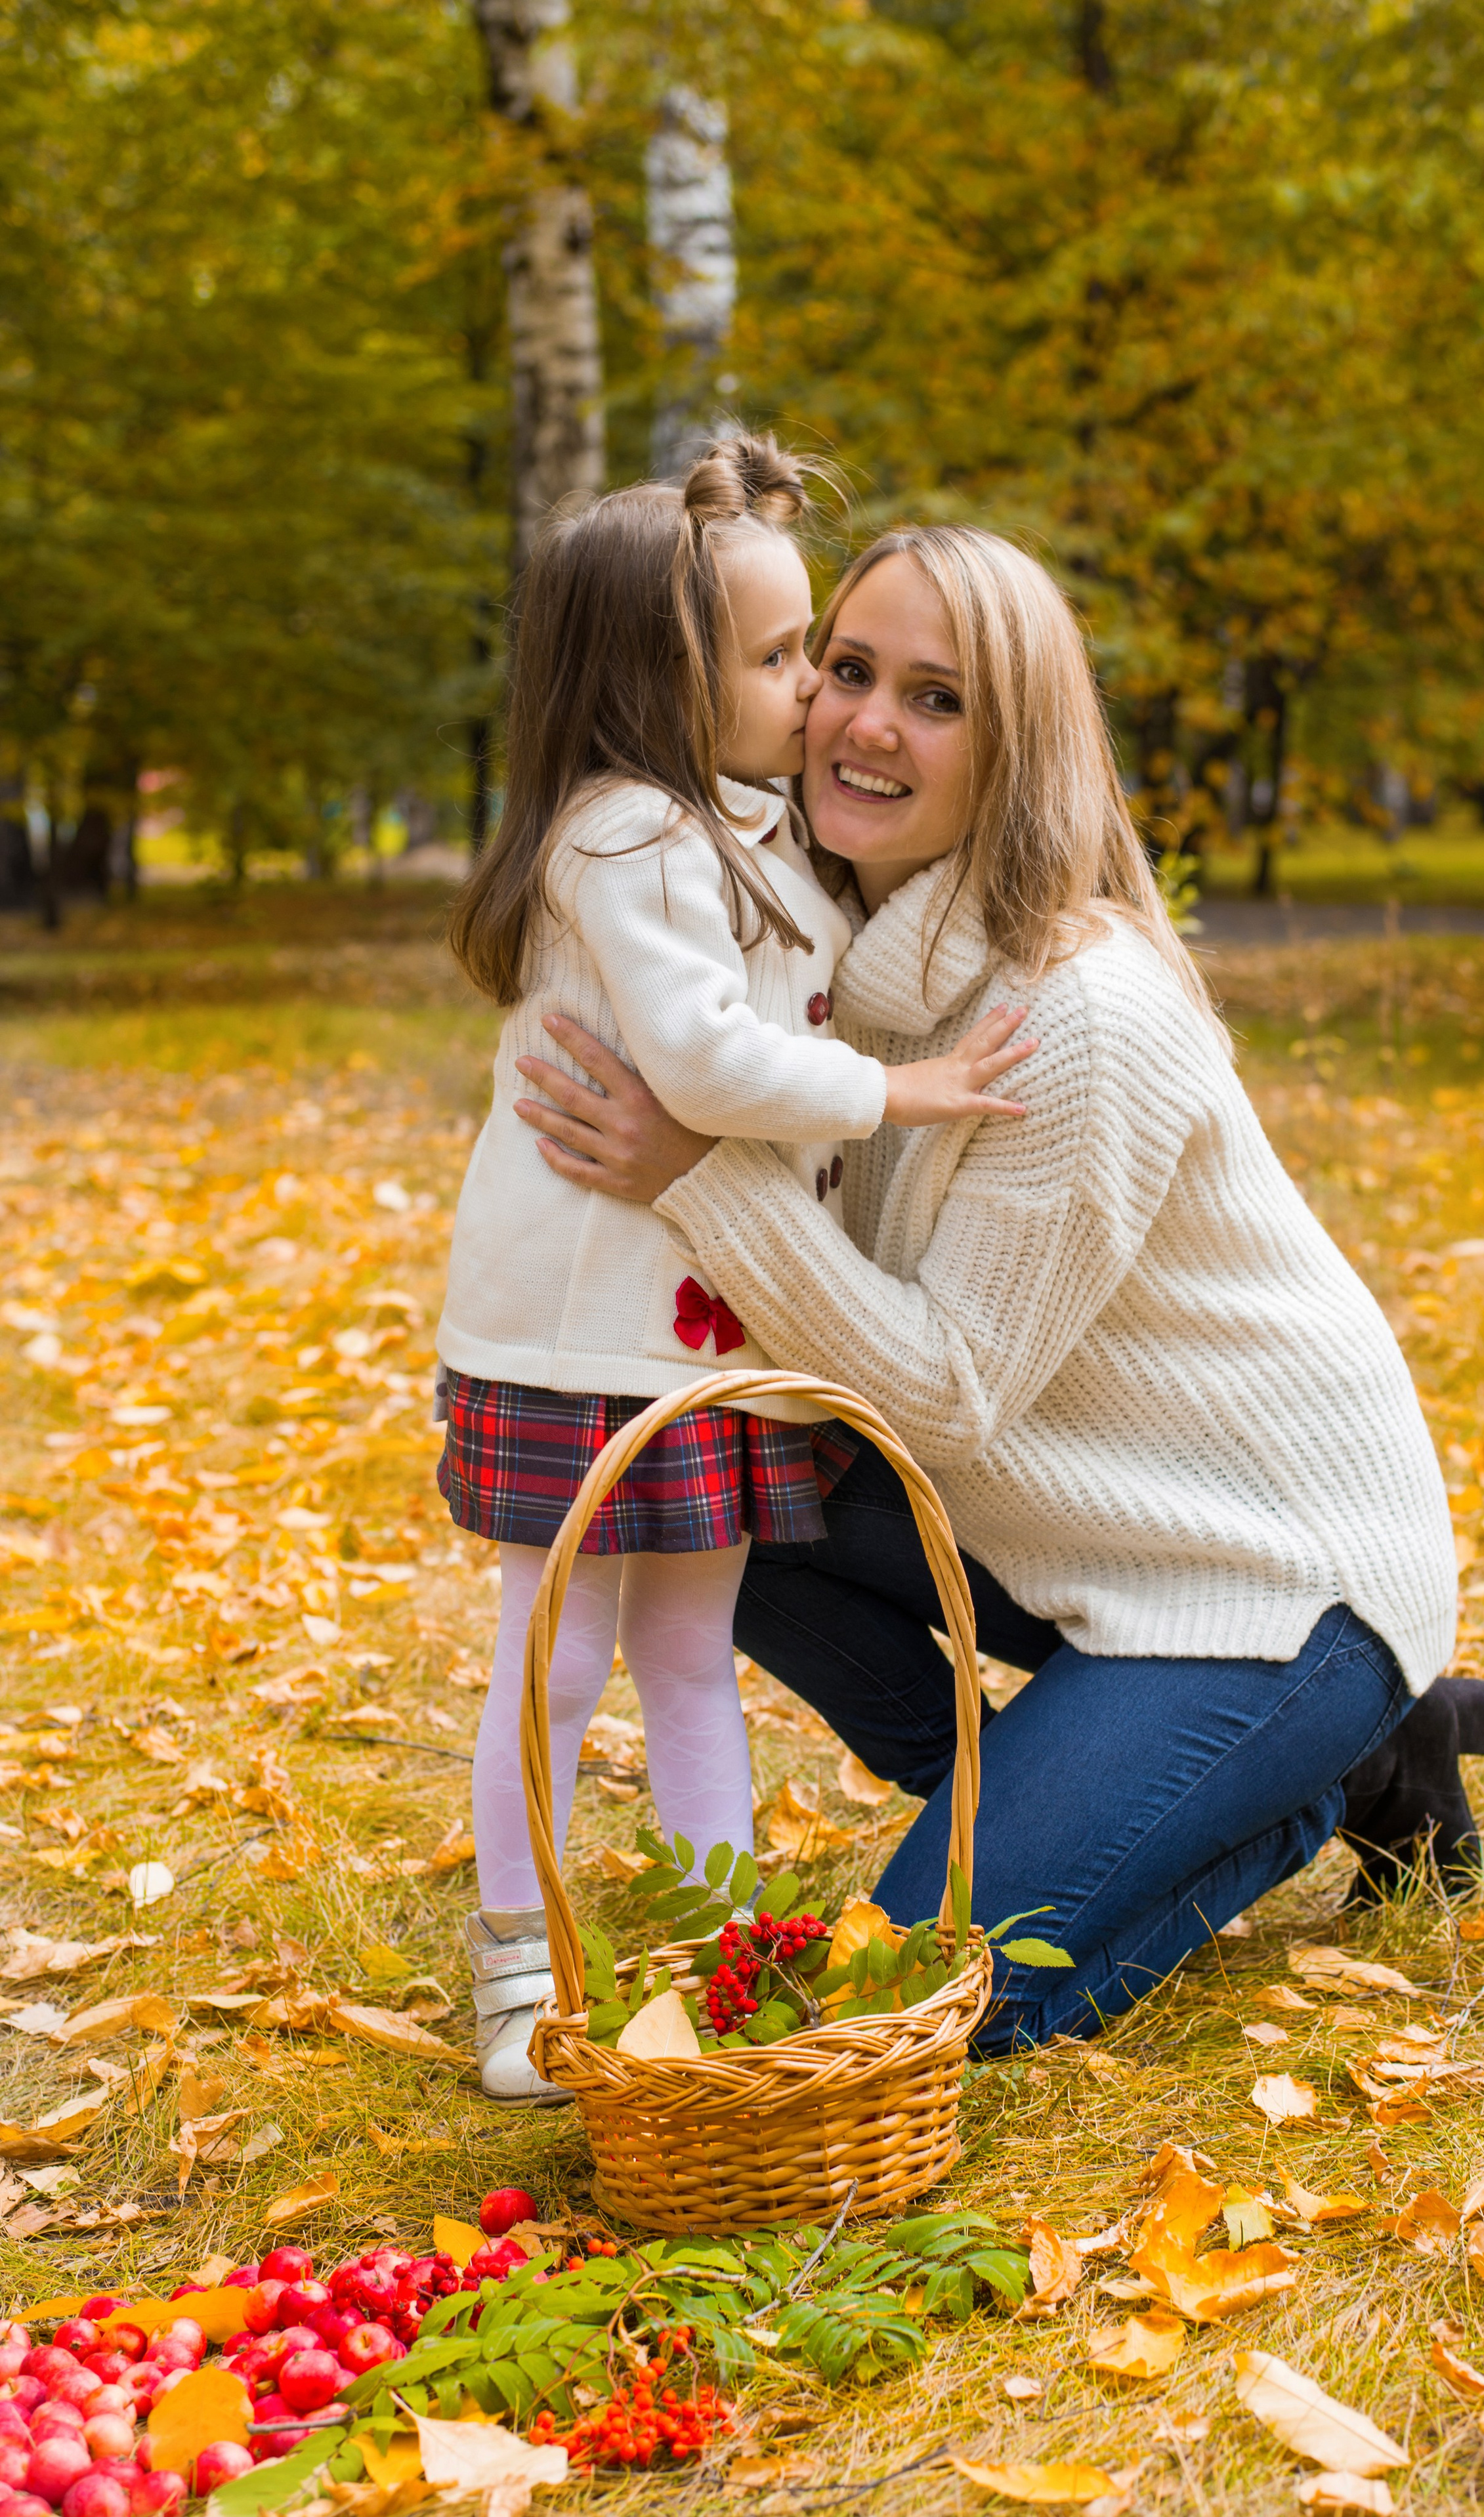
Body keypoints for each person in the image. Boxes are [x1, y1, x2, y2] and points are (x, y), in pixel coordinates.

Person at [507, 520, 1484, 2056]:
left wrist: (692, 1173)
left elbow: (944, 1392)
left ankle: (1316, 1767)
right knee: (683, 1492)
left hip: (1261, 1578)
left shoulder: (1080, 1011)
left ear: (1016, 746)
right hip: (1083, 1528)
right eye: (843, 669)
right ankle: (1176, 1771)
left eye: (937, 697)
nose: (865, 722)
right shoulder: (825, 964)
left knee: (923, 2013)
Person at [436, 444, 1036, 2099]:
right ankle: (517, 1969)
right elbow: (701, 1062)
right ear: (659, 677)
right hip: (577, 1338)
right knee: (552, 1657)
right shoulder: (624, 840)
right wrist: (896, 1090)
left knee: (691, 1661)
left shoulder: (744, 825)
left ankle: (711, 1963)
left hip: (699, 1343)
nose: (812, 693)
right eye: (781, 660)